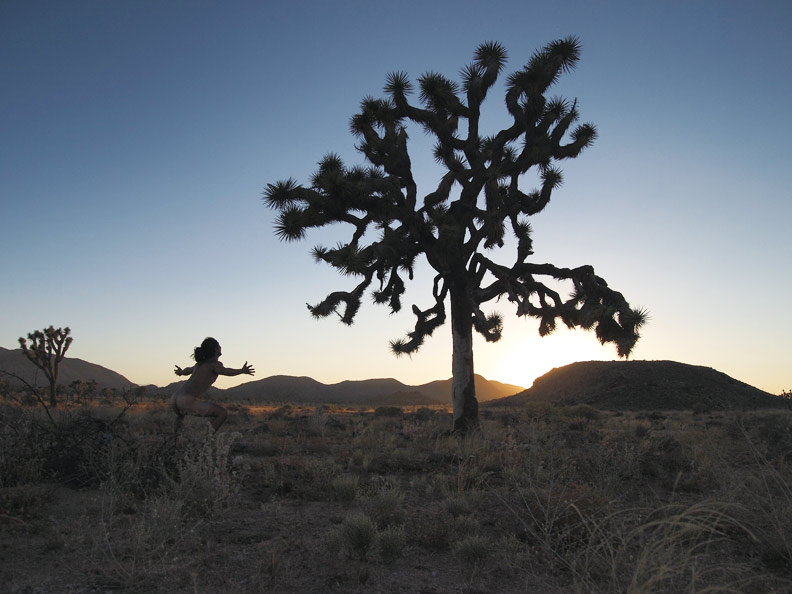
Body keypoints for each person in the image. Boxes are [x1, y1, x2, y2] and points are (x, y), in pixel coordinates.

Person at [171, 337, 255, 434]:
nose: (220, 347)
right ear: (215, 349)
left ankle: (176, 441)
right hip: (186, 400)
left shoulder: (199, 364)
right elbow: (225, 371)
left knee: (181, 416)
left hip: (175, 398)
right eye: (219, 345)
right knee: (222, 413)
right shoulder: (215, 364)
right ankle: (205, 439)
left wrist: (181, 372)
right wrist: (241, 371)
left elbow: (187, 370)